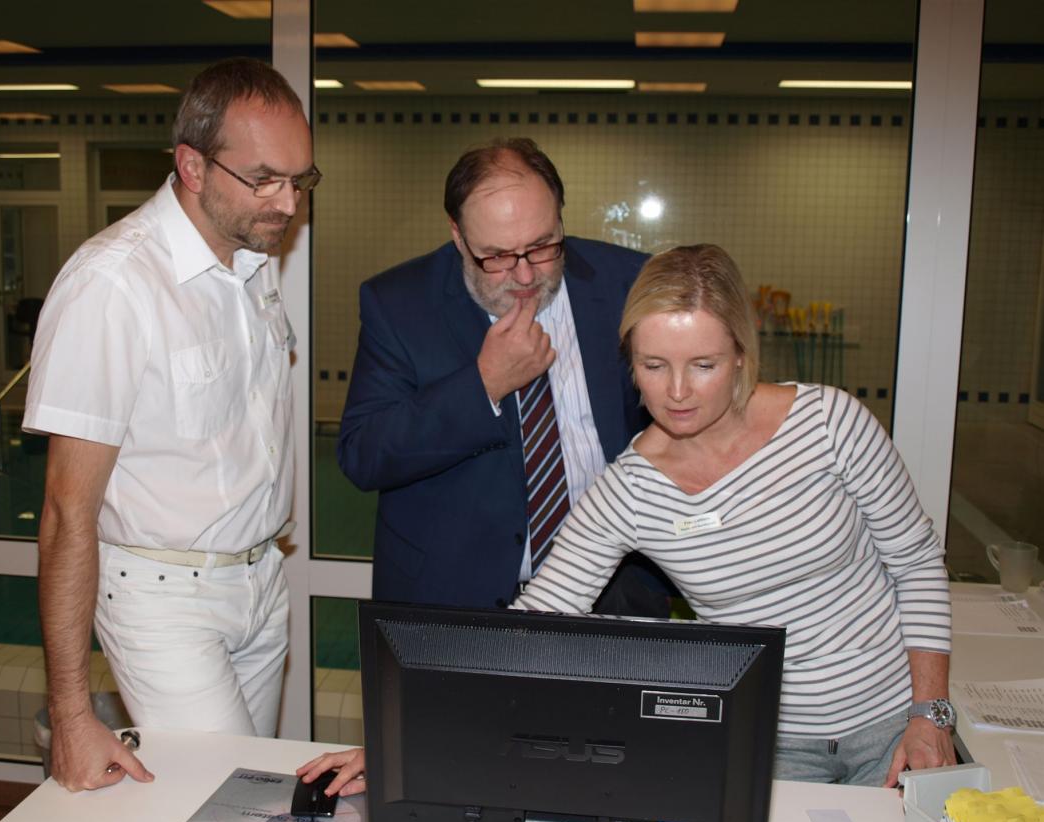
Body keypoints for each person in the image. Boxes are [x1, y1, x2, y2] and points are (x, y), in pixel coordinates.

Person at [512, 244, 956, 786]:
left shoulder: (829, 424)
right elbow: (537, 622)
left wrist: (930, 713)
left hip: (895, 723)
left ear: (742, 354)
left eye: (704, 365)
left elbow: (916, 564)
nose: (677, 392)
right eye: (654, 366)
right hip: (768, 741)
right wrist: (422, 722)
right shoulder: (629, 490)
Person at [22, 57, 317, 792]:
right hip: (162, 597)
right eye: (264, 179)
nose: (286, 203)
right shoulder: (113, 285)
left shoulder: (254, 264)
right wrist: (70, 712)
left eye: (300, 180)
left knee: (253, 798)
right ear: (191, 165)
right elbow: (66, 511)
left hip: (258, 584)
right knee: (216, 800)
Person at [337, 136, 670, 615]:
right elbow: (363, 454)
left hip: (613, 592)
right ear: (457, 236)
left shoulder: (629, 284)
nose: (525, 274)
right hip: (455, 599)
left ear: (560, 218)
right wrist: (483, 385)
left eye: (542, 246)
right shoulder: (399, 303)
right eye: (496, 256)